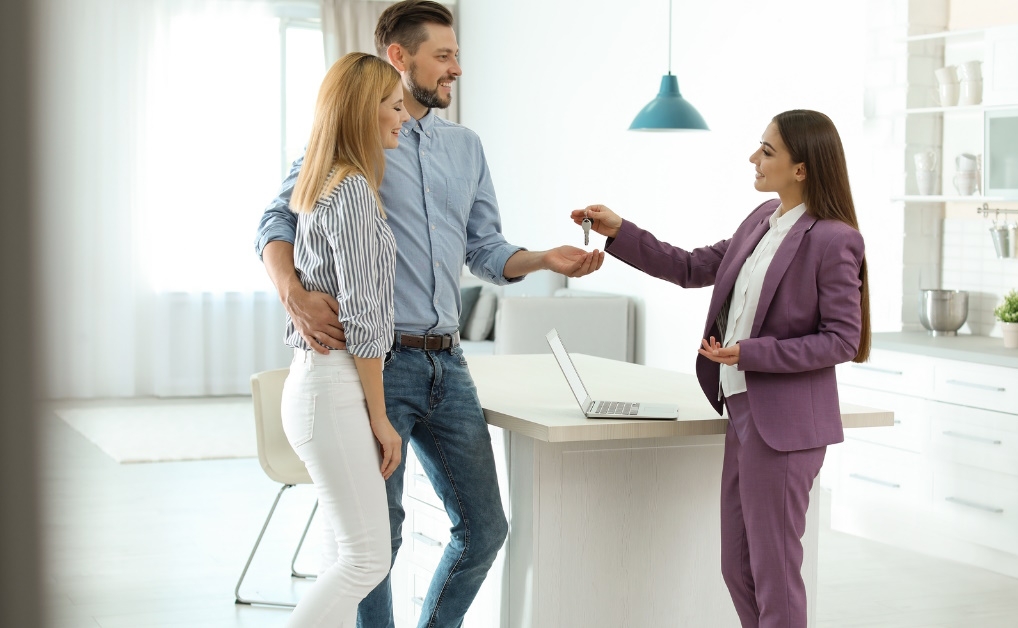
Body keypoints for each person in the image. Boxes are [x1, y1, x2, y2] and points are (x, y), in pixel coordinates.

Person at [255, 2, 603, 626]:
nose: (456, 69)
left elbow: (485, 250)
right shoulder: (354, 142)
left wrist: (544, 258)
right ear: (400, 57)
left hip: (448, 363)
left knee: (484, 528)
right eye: (443, 56)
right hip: (376, 362)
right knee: (376, 543)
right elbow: (278, 219)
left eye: (457, 55)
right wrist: (293, 294)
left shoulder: (465, 147)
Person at [572, 109, 871, 628]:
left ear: (801, 168)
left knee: (775, 574)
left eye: (767, 151)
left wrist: (753, 353)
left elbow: (842, 340)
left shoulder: (832, 239)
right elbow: (691, 266)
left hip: (786, 427)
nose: (754, 158)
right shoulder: (761, 221)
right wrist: (619, 231)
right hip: (742, 411)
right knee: (738, 568)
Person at [279, 51, 408, 627]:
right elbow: (364, 316)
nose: (403, 117)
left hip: (318, 385)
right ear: (363, 111)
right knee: (366, 560)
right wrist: (380, 417)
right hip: (332, 389)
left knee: (343, 555)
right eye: (394, 107)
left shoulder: (323, 183)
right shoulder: (352, 189)